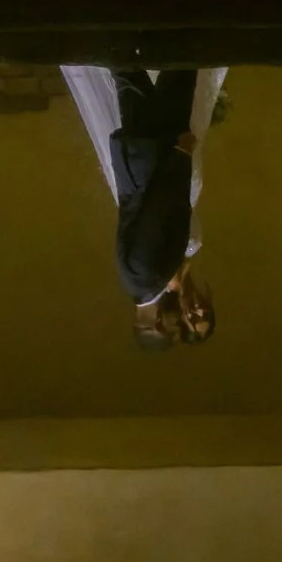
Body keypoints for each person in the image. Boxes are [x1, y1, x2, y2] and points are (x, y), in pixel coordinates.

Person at [62, 64, 221, 350]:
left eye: (175, 327)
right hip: (154, 157)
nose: (180, 318)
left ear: (159, 323)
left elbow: (156, 214)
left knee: (131, 72)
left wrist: (180, 156)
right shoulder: (142, 281)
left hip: (151, 159)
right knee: (154, 72)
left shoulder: (146, 276)